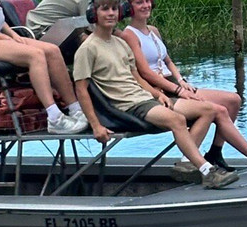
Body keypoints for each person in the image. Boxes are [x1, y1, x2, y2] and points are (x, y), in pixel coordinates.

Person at [72, 0, 238, 188]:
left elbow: (137, 77)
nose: (110, 13)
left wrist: (157, 94)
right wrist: (96, 126)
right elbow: (81, 89)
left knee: (208, 110)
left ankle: (187, 165)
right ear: (93, 14)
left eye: (114, 9)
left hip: (145, 98)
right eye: (104, 9)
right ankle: (208, 172)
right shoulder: (88, 48)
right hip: (128, 106)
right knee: (177, 120)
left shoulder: (120, 43)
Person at [119, 0, 247, 173]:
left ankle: (215, 153)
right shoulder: (129, 35)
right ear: (129, 8)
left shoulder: (153, 31)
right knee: (218, 110)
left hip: (173, 84)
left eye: (147, 1)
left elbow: (168, 61)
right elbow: (144, 72)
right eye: (139, 3)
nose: (145, 5)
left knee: (233, 100)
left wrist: (181, 81)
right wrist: (178, 91)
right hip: (159, 91)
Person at [0, 0, 90, 134]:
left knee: (52, 51)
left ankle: (76, 109)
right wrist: (6, 39)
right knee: (35, 55)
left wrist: (14, 35)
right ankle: (54, 118)